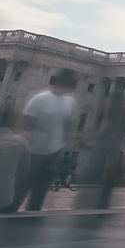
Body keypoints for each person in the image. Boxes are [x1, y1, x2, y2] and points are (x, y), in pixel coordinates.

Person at [21, 68, 78, 211]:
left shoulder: (70, 101)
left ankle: (32, 217)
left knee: (42, 188)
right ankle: (10, 213)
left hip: (55, 150)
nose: (74, 87)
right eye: (73, 83)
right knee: (23, 185)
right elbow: (27, 122)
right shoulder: (40, 98)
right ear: (63, 82)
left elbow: (68, 124)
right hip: (35, 150)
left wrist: (65, 143)